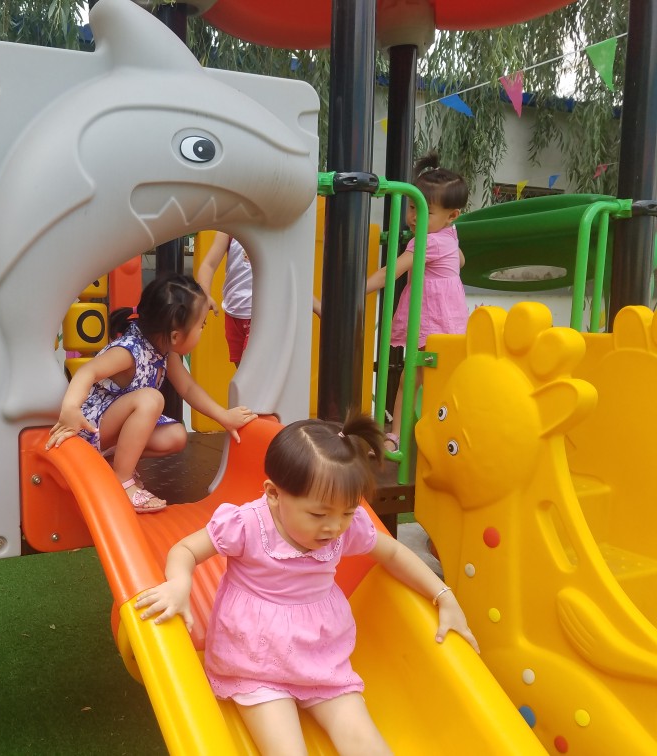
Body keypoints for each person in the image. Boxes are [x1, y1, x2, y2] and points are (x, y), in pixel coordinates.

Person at [136, 416, 479, 755]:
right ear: (274, 494)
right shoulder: (247, 525)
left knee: (366, 744)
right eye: (318, 515)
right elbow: (186, 550)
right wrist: (179, 584)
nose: (334, 527)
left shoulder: (344, 527)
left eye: (347, 512)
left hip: (320, 655)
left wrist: (444, 596)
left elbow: (392, 552)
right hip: (255, 660)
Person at [47, 273, 258, 513]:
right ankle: (122, 480)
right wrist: (70, 409)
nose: (202, 330)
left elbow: (188, 388)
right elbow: (88, 371)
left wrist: (223, 416)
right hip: (88, 428)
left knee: (176, 436)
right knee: (151, 399)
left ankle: (113, 462)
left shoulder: (164, 350)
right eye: (201, 326)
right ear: (176, 335)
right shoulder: (129, 351)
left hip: (110, 430)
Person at [365, 152, 469, 452]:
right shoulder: (448, 234)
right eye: (412, 207)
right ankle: (432, 437)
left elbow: (391, 273)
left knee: (410, 381)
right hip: (449, 320)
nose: (413, 217)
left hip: (433, 320)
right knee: (425, 382)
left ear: (452, 215)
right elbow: (461, 260)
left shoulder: (428, 240)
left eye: (425, 211)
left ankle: (396, 438)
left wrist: (356, 289)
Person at [197, 232, 324, 366]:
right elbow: (209, 265)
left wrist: (317, 307)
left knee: (250, 370)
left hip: (262, 315)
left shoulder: (274, 230)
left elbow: (290, 276)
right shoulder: (230, 228)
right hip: (233, 313)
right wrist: (205, 295)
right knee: (242, 370)